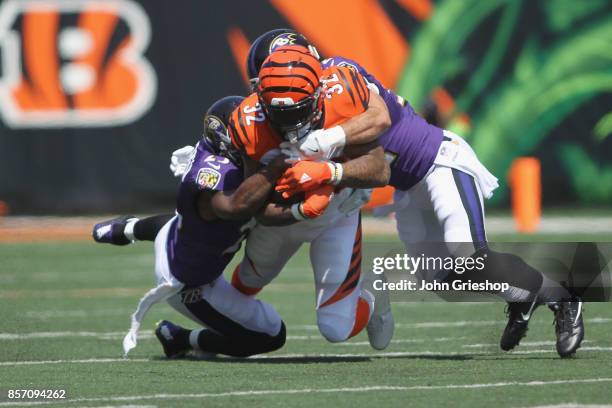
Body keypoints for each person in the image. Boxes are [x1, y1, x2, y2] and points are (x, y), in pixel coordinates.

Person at [94, 96, 328, 358]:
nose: (259, 137)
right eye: (249, 133)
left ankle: (125, 229)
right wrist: (284, 186)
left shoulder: (226, 158)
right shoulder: (215, 174)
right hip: (188, 282)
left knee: (178, 226)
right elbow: (237, 207)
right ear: (227, 139)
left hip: (178, 235)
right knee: (271, 335)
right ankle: (182, 339)